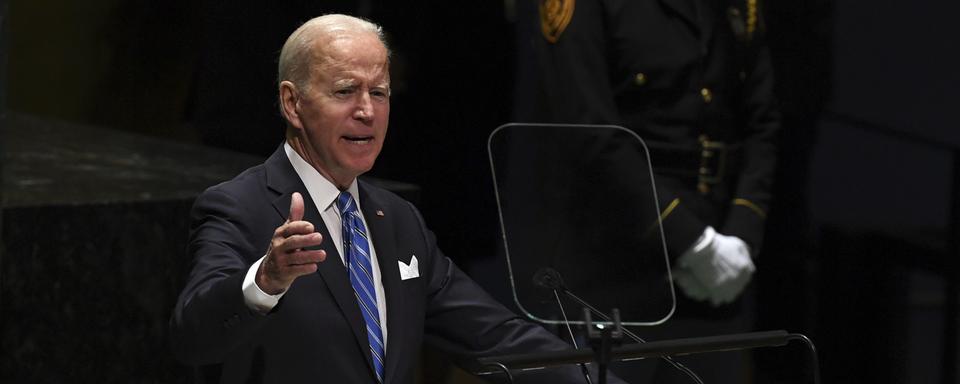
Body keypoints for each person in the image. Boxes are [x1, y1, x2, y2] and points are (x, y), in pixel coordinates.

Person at [170, 14, 621, 384]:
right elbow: (193, 337)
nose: (367, 110)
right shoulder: (238, 207)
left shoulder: (398, 221)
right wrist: (264, 282)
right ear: (293, 104)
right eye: (345, 91)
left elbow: (497, 337)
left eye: (379, 92)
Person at [514, 0, 780, 381]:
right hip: (617, 266)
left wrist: (741, 235)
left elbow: (762, 122)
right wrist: (692, 242)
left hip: (718, 271)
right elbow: (589, 130)